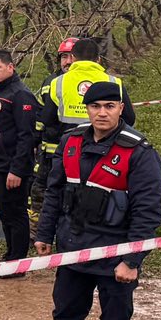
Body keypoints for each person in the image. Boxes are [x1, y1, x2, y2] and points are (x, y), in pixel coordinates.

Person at [34, 80, 161, 320]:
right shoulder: (71, 142)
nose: (102, 113)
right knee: (66, 316)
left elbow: (148, 213)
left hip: (114, 255)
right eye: (95, 107)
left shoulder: (139, 151)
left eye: (109, 106)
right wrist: (44, 234)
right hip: (73, 249)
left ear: (121, 108)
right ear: (87, 109)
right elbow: (54, 192)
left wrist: (132, 260)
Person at [31, 38, 116, 203]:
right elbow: (128, 119)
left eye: (70, 56)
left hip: (64, 151)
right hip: (86, 152)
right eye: (64, 57)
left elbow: (46, 118)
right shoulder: (112, 81)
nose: (68, 62)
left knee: (57, 196)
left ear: (76, 58)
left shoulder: (58, 83)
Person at [0, 50, 38, 260]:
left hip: (11, 167)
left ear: (10, 67)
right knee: (3, 212)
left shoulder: (20, 94)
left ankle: (18, 260)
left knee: (15, 213)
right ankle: (10, 254)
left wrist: (17, 170)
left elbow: (27, 136)